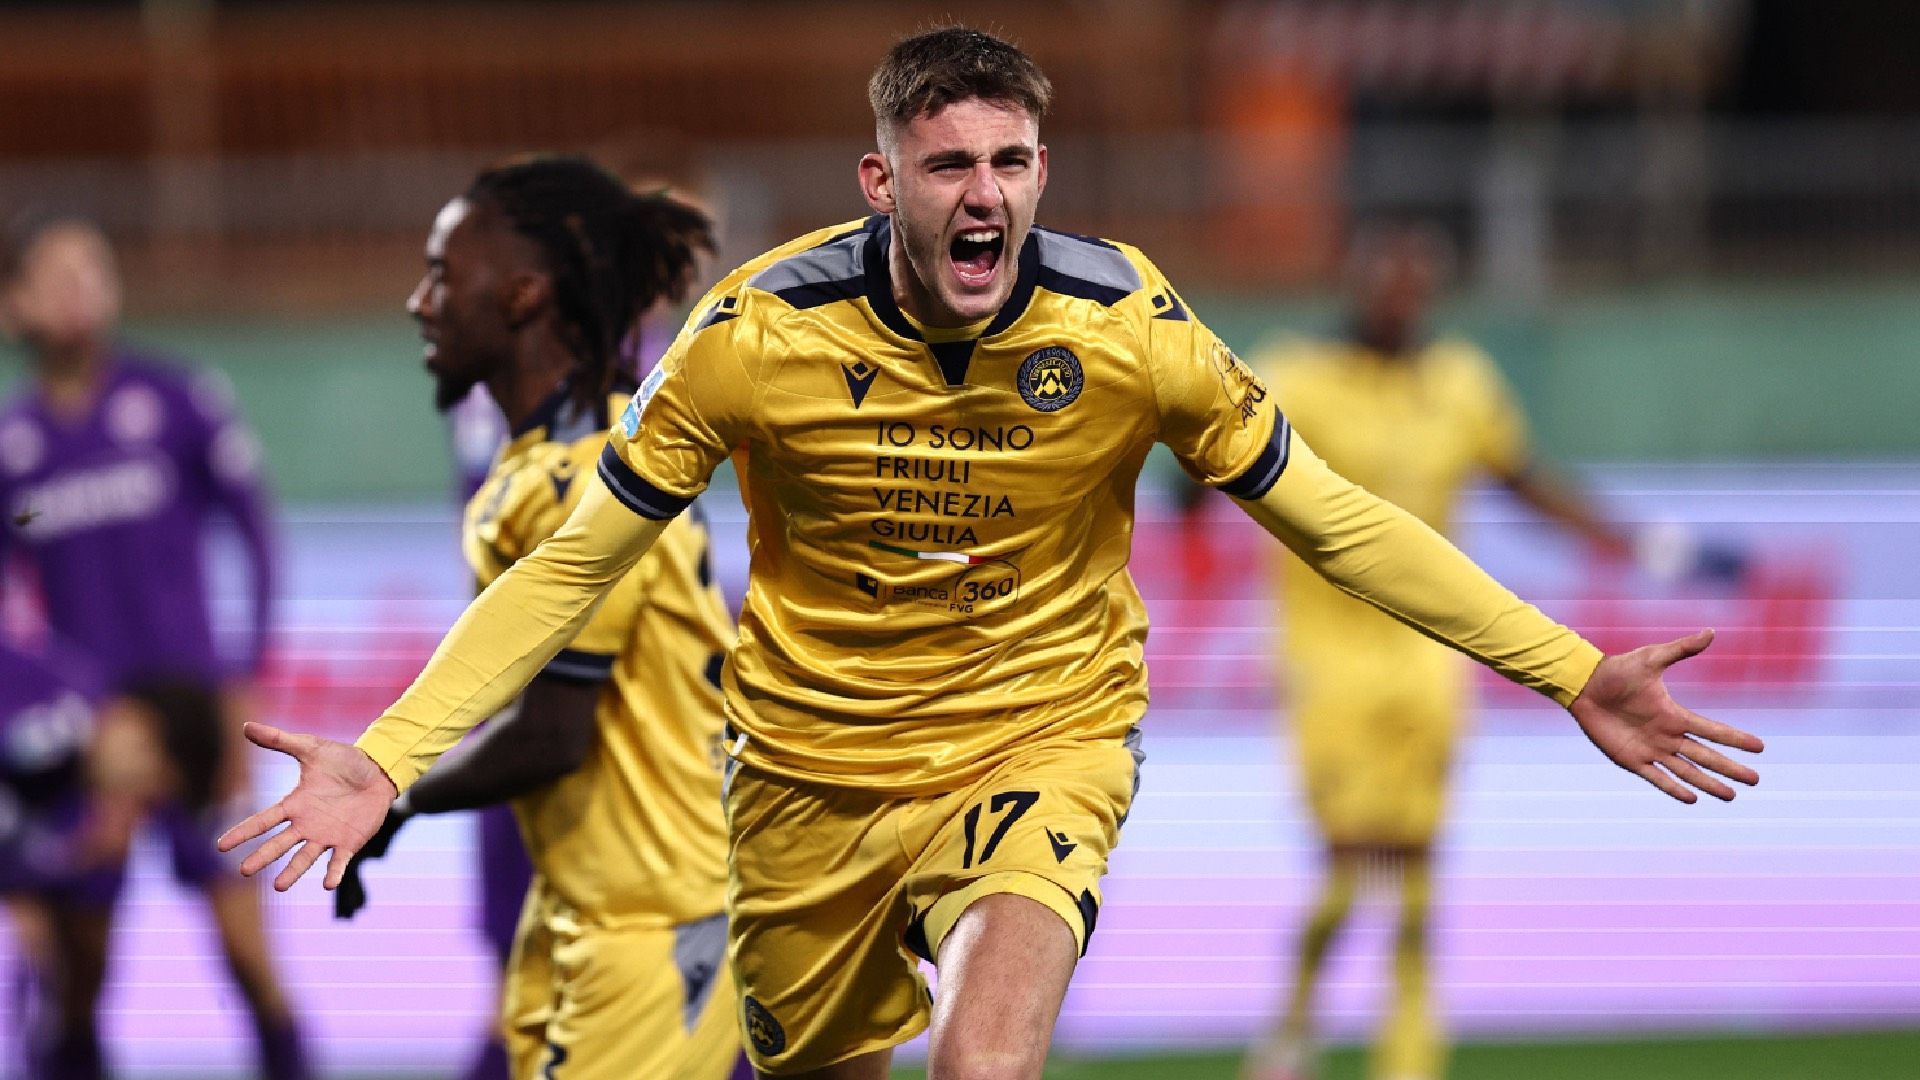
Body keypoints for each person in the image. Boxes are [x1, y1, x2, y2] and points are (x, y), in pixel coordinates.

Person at [221, 27, 1764, 1080]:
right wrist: (392, 756)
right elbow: (571, 567)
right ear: (882, 182)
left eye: (1012, 162)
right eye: (949, 163)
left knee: (983, 1059)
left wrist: (1568, 669)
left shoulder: (1130, 326)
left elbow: (1336, 518)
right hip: (808, 780)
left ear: (1041, 173)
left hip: (1041, 742)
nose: (986, 195)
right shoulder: (753, 337)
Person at [326, 156, 744, 1080]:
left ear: (521, 295)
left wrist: (391, 795)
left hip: (659, 921)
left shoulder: (582, 480)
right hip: (587, 906)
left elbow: (555, 731)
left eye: (442, 276)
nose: (419, 302)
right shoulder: (576, 450)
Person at [1236, 222, 1642, 1080]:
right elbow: (1212, 459)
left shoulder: (1460, 382)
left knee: (1418, 876)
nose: (1400, 299)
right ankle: (1295, 1024)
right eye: (1385, 280)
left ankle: (1410, 1061)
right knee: (1350, 868)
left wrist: (1622, 537)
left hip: (1429, 661)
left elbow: (1521, 478)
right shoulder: (1296, 375)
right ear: (1354, 282)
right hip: (1329, 662)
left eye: (1415, 284)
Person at [0, 215, 309, 1079]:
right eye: (57, 273)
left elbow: (257, 535)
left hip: (194, 720)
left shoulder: (176, 400)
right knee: (77, 979)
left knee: (248, 956)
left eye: (93, 268)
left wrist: (245, 678)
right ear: (16, 302)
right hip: (85, 742)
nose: (79, 288)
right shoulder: (15, 449)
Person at [1, 638, 230, 1080]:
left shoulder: (68, 775)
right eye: (150, 787)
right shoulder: (60, 719)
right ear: (140, 728)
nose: (137, 804)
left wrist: (70, 857)